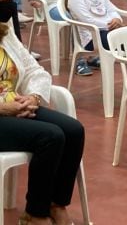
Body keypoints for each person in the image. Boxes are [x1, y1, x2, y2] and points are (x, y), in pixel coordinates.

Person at [0, 15, 84, 225]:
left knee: (73, 131)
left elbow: (32, 69)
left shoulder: (4, 30)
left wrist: (33, 97)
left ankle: (56, 204)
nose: (8, 1)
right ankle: (34, 214)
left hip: (15, 103)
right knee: (50, 137)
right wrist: (3, 107)